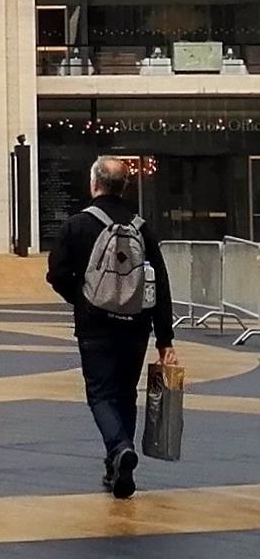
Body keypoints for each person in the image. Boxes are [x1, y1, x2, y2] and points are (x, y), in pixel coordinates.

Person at [48, 155, 179, 499]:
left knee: (100, 394)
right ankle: (118, 468)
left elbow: (56, 273)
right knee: (124, 394)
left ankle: (119, 449)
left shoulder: (77, 225)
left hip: (95, 327)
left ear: (94, 184)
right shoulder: (142, 227)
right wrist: (165, 338)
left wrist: (82, 298)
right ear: (124, 187)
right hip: (136, 327)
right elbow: (160, 284)